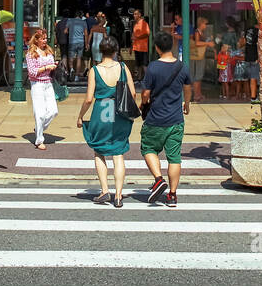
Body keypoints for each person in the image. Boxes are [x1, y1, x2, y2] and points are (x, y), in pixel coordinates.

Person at [76, 35, 136, 206]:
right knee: (118, 153)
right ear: (116, 50)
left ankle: (104, 191)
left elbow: (88, 99)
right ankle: (118, 195)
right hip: (120, 113)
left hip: (101, 112)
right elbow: (132, 93)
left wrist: (80, 116)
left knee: (99, 151)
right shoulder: (123, 68)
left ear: (100, 50)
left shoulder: (95, 71)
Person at [140, 30, 191, 208]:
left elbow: (146, 93)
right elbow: (187, 89)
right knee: (174, 158)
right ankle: (172, 195)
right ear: (172, 46)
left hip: (155, 118)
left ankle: (158, 179)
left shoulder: (153, 67)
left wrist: (143, 102)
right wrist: (187, 104)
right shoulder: (182, 66)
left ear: (156, 48)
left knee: (148, 148)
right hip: (175, 120)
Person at [25, 28, 59, 150]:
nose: (45, 40)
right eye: (43, 38)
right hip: (37, 85)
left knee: (53, 111)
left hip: (49, 84)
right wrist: (46, 67)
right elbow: (32, 72)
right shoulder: (31, 54)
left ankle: (39, 128)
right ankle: (39, 140)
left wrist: (54, 66)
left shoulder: (49, 51)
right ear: (36, 39)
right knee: (40, 113)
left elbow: (51, 66)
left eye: (46, 38)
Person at [190, 16, 213, 102]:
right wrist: (208, 43)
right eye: (205, 23)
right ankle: (196, 95)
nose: (206, 25)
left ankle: (198, 94)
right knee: (197, 76)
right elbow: (197, 43)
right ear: (201, 23)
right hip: (197, 56)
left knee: (199, 76)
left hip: (199, 56)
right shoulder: (197, 32)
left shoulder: (201, 32)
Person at [228, 17, 248, 97]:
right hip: (239, 66)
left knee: (241, 81)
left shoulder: (243, 49)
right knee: (241, 81)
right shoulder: (240, 48)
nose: (238, 41)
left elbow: (243, 58)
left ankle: (240, 94)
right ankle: (242, 94)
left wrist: (235, 57)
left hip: (242, 66)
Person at [66, 10, 88, 81]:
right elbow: (86, 34)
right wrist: (87, 44)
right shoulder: (83, 22)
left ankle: (71, 69)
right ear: (81, 16)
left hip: (72, 41)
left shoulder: (70, 20)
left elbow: (65, 31)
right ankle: (76, 77)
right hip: (81, 42)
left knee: (71, 57)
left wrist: (70, 31)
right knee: (79, 58)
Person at [243, 20, 261, 102]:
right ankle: (253, 97)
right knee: (253, 78)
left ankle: (247, 94)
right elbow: (259, 45)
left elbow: (243, 42)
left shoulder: (248, 30)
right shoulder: (258, 32)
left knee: (248, 78)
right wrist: (259, 56)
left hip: (247, 56)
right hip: (254, 57)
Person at [131, 9, 151, 78]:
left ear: (139, 15)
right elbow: (133, 37)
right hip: (136, 47)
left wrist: (137, 38)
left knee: (144, 64)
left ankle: (148, 78)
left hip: (143, 48)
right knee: (138, 64)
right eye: (134, 14)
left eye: (136, 14)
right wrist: (131, 47)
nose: (134, 15)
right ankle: (139, 78)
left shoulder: (144, 23)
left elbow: (147, 34)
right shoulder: (135, 24)